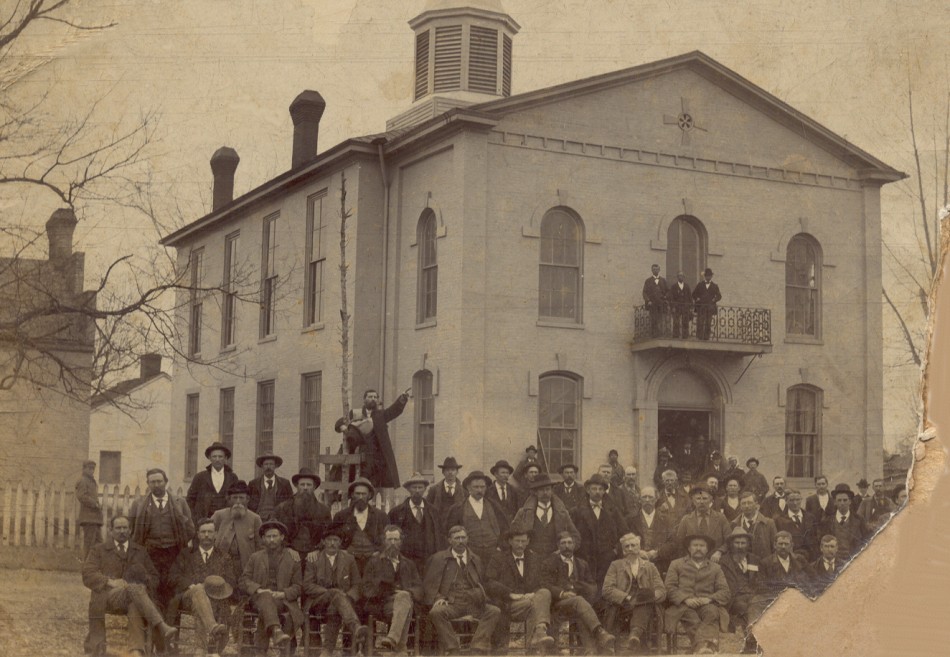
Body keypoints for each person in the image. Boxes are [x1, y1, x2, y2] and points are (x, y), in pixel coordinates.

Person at [82, 515, 179, 657]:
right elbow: (87, 574)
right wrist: (110, 582)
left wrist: (144, 584)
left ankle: (136, 650)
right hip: (108, 596)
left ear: (130, 530)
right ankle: (161, 626)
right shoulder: (99, 550)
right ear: (110, 530)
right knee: (136, 590)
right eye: (118, 528)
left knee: (135, 602)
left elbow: (154, 577)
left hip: (136, 597)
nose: (122, 531)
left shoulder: (140, 551)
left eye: (125, 528)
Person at [128, 468, 195, 625]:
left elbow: (190, 529)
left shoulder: (180, 503)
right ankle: (151, 633)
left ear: (165, 482)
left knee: (173, 594)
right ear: (148, 484)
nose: (156, 485)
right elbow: (132, 531)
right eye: (153, 482)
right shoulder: (138, 504)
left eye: (159, 481)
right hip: (149, 554)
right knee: (151, 590)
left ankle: (171, 634)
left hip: (174, 554)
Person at [422, 525, 501, 655]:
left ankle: (477, 647)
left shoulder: (475, 559)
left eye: (463, 537)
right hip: (452, 604)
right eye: (457, 538)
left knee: (494, 611)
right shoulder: (438, 558)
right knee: (436, 612)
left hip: (473, 603)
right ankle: (453, 649)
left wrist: (481, 597)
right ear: (449, 540)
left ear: (468, 539)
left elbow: (482, 583)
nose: (460, 541)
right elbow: (429, 585)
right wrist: (438, 598)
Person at [167, 518, 238, 657]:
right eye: (203, 532)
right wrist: (191, 585)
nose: (206, 535)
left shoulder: (224, 557)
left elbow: (231, 581)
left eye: (210, 532)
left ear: (216, 534)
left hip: (216, 599)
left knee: (204, 603)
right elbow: (173, 577)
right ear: (198, 534)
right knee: (199, 590)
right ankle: (212, 628)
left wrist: (216, 587)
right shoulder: (186, 554)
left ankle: (201, 649)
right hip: (187, 598)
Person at [540, 531, 616, 654]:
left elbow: (592, 587)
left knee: (581, 609)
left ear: (574, 545)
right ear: (558, 545)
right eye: (563, 543)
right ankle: (600, 632)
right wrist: (563, 593)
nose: (567, 546)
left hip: (579, 605)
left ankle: (589, 651)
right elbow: (545, 584)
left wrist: (575, 587)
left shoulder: (582, 564)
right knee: (580, 602)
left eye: (569, 543)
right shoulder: (549, 563)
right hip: (557, 604)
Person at [302, 520, 369, 655]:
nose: (332, 543)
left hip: (341, 605)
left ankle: (327, 651)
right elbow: (307, 586)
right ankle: (355, 626)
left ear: (340, 542)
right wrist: (331, 592)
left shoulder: (349, 559)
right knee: (336, 595)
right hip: (318, 603)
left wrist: (348, 597)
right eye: (329, 540)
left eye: (335, 540)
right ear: (324, 542)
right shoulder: (314, 559)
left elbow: (357, 585)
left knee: (336, 607)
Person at [485, 528, 556, 654]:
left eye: (523, 541)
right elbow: (490, 582)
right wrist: (510, 594)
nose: (520, 545)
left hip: (530, 600)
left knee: (544, 593)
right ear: (510, 541)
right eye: (517, 541)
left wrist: (533, 593)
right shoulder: (499, 558)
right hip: (509, 604)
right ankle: (535, 643)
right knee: (534, 604)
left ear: (528, 541)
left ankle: (539, 632)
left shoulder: (534, 558)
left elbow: (542, 582)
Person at [240, 520, 303, 650]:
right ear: (263, 539)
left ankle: (262, 650)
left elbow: (298, 586)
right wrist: (258, 590)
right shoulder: (255, 557)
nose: (272, 540)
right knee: (266, 598)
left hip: (282, 601)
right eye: (268, 537)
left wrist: (283, 593)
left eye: (275, 536)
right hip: (258, 599)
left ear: (282, 537)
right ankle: (276, 631)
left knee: (267, 608)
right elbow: (243, 580)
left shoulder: (293, 558)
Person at [664, 534, 731, 654]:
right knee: (692, 618)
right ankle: (705, 647)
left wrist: (708, 599)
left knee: (712, 612)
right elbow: (669, 587)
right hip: (683, 605)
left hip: (707, 604)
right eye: (695, 545)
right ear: (689, 548)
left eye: (702, 546)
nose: (698, 548)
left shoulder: (715, 568)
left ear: (707, 549)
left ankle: (698, 648)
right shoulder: (676, 564)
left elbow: (725, 592)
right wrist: (685, 599)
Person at [362, 525, 424, 656]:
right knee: (405, 602)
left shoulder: (408, 563)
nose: (393, 543)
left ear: (401, 541)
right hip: (382, 604)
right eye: (389, 540)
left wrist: (406, 593)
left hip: (404, 604)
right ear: (384, 541)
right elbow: (366, 589)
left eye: (396, 539)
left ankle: (394, 641)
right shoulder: (374, 561)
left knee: (404, 597)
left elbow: (419, 589)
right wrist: (386, 590)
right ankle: (401, 648)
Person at [601, 533, 666, 653]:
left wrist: (651, 597)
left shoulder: (650, 567)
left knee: (644, 603)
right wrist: (627, 597)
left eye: (633, 545)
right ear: (623, 550)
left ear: (639, 547)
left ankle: (634, 636)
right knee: (641, 603)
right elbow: (607, 589)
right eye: (627, 546)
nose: (630, 549)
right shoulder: (615, 565)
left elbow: (661, 590)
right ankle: (634, 637)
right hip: (623, 607)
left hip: (647, 606)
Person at [338, 389, 410, 490]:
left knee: (374, 485)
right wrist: (344, 428)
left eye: (375, 397)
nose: (373, 399)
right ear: (364, 399)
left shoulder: (381, 415)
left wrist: (402, 398)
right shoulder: (355, 413)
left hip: (377, 457)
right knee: (357, 483)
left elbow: (394, 410)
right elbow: (339, 423)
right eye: (370, 397)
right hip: (359, 454)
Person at [570, 474, 629, 589]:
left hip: (607, 559)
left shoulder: (613, 511)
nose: (597, 492)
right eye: (594, 489)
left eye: (601, 489)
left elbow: (624, 532)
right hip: (585, 559)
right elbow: (572, 534)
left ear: (604, 492)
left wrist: (615, 550)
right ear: (588, 490)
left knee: (605, 588)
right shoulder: (576, 511)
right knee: (587, 589)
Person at [718, 527, 767, 654]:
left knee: (755, 604)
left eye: (743, 543)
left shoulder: (755, 560)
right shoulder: (723, 561)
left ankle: (751, 641)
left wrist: (756, 593)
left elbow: (762, 580)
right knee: (745, 607)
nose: (740, 546)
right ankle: (753, 640)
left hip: (754, 596)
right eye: (737, 543)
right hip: (734, 598)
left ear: (748, 544)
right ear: (731, 544)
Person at [446, 470, 510, 566]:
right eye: (476, 487)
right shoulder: (458, 508)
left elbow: (505, 528)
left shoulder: (494, 506)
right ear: (468, 488)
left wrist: (500, 546)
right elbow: (450, 532)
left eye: (482, 487)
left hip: (493, 554)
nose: (479, 490)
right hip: (470, 554)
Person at [510, 472, 580, 556]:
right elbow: (511, 535)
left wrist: (562, 550)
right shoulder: (523, 513)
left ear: (551, 491)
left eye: (548, 489)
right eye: (541, 490)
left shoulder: (562, 513)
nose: (545, 493)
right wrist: (525, 551)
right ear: (535, 492)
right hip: (531, 560)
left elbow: (575, 536)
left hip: (555, 559)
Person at [388, 472, 445, 575]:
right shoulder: (396, 512)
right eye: (414, 487)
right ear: (409, 489)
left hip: (429, 559)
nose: (417, 491)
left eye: (420, 487)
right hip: (406, 559)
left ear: (425, 489)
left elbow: (439, 536)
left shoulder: (434, 511)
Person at [275, 467, 332, 567]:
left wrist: (317, 549)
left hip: (314, 553)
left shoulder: (324, 510)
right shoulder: (283, 508)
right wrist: (287, 548)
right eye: (302, 484)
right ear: (297, 486)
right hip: (289, 552)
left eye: (309, 485)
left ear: (314, 487)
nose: (305, 487)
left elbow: (328, 534)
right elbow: (277, 531)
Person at [333, 477, 389, 573]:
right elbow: (334, 537)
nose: (360, 497)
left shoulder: (380, 516)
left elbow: (386, 537)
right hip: (349, 561)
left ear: (369, 495)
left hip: (373, 560)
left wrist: (379, 551)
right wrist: (343, 551)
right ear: (352, 495)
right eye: (357, 494)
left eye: (364, 494)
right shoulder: (341, 516)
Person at [210, 480, 262, 570]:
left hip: (245, 566)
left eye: (241, 498)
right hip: (221, 565)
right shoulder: (218, 515)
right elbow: (208, 537)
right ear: (229, 499)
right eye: (235, 498)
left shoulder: (255, 519)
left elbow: (260, 547)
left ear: (248, 499)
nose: (238, 501)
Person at [626, 486, 675, 576]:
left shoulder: (666, 520)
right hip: (636, 565)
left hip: (660, 565)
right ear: (639, 500)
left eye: (650, 497)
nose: (647, 500)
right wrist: (637, 552)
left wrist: (657, 553)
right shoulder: (630, 520)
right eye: (644, 497)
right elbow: (624, 541)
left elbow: (672, 543)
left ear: (656, 499)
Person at [673, 486, 731, 560]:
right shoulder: (686, 520)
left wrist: (719, 552)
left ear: (711, 500)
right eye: (698, 498)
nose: (701, 502)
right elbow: (679, 543)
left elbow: (729, 540)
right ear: (693, 501)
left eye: (704, 498)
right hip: (692, 562)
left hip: (716, 561)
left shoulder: (720, 518)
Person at [186, 442, 239, 522]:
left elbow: (236, 499)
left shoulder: (232, 477)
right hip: (204, 520)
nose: (217, 459)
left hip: (226, 520)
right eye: (214, 456)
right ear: (209, 458)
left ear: (225, 458)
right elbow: (190, 500)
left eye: (220, 457)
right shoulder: (200, 477)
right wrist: (195, 518)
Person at [818, 483, 870, 562]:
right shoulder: (827, 521)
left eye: (845, 500)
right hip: (833, 562)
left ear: (850, 501)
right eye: (839, 500)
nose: (842, 503)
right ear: (835, 502)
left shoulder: (859, 520)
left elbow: (867, 540)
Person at [758, 531, 812, 601]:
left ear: (791, 545)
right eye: (780, 544)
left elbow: (812, 578)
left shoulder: (800, 560)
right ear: (775, 545)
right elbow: (763, 587)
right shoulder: (765, 563)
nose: (783, 547)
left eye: (786, 544)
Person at [730, 491, 777, 561]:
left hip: (763, 565)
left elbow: (775, 547)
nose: (747, 506)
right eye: (743, 503)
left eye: (749, 503)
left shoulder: (769, 523)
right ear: (740, 506)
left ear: (756, 504)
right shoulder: (734, 524)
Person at [774, 489, 818, 561]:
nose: (795, 503)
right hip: (789, 558)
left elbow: (816, 538)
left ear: (801, 500)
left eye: (798, 499)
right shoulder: (779, 520)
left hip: (811, 558)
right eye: (791, 500)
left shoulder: (811, 517)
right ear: (786, 501)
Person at [248, 453, 293, 521]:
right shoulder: (253, 484)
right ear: (262, 466)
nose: (268, 467)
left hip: (278, 519)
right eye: (266, 464)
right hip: (257, 519)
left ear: (275, 466)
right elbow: (248, 503)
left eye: (271, 464)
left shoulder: (284, 484)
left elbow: (290, 502)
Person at [425, 457, 466, 528]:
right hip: (439, 527)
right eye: (447, 470)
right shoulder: (434, 490)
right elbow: (428, 509)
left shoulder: (464, 491)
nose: (450, 472)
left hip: (457, 528)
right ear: (443, 472)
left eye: (453, 470)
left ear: (457, 472)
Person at [76, 459, 103, 561]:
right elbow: (81, 496)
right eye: (89, 468)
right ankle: (86, 565)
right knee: (89, 543)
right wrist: (94, 504)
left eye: (93, 469)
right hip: (89, 518)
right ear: (84, 469)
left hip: (94, 519)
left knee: (99, 543)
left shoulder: (91, 481)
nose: (92, 471)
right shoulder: (83, 480)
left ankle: (97, 565)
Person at [692, 267, 722, 341]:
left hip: (710, 307)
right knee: (700, 322)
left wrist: (714, 299)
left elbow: (719, 296)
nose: (708, 277)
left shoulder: (715, 286)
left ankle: (706, 338)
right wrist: (697, 299)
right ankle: (699, 337)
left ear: (711, 276)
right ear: (705, 276)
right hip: (701, 307)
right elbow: (694, 294)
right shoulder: (700, 285)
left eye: (709, 275)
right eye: (707, 275)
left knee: (708, 323)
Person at [642, 263, 669, 337]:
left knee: (661, 319)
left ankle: (660, 334)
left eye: (657, 269)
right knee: (653, 319)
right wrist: (648, 301)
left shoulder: (663, 280)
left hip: (661, 303)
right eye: (654, 269)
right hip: (652, 304)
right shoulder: (648, 281)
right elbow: (644, 292)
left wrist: (665, 297)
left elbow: (668, 291)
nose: (655, 270)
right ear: (651, 270)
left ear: (659, 270)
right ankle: (654, 335)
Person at [668, 271, 693, 338]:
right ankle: (676, 335)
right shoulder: (674, 286)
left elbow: (690, 297)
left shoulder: (687, 286)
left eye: (682, 276)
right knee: (676, 322)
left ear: (683, 277)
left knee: (685, 321)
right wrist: (672, 306)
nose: (680, 277)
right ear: (677, 277)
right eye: (679, 276)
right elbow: (671, 297)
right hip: (676, 307)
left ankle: (685, 336)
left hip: (685, 307)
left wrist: (691, 307)